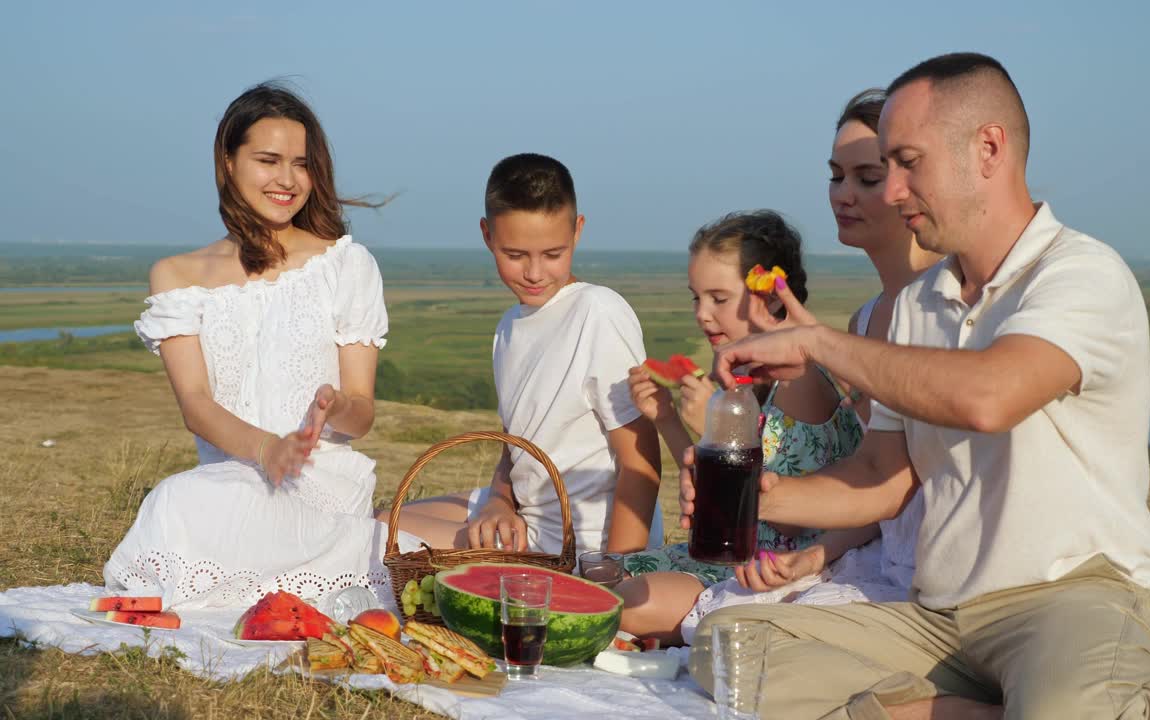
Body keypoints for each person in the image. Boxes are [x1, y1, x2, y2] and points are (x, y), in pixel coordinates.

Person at [683, 53, 1150, 720]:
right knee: (728, 646)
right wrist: (765, 498)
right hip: (939, 617)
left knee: (1066, 710)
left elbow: (989, 396)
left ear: (988, 149)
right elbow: (884, 477)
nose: (892, 191)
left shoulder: (1082, 275)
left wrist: (818, 342)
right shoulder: (920, 304)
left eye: (908, 162)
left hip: (1072, 597)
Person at [104, 83, 405, 609]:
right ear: (228, 161)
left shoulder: (346, 265)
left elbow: (362, 411)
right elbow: (196, 407)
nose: (287, 180)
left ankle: (341, 552)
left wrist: (336, 408)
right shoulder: (176, 276)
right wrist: (268, 449)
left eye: (301, 164)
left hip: (322, 487)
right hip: (228, 484)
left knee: (193, 504)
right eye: (268, 160)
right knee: (177, 499)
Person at [382, 153, 664, 557]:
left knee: (378, 535)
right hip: (521, 518)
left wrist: (617, 575)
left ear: (578, 230)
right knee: (379, 517)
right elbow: (516, 443)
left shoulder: (597, 312)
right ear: (486, 235)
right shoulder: (508, 326)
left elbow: (640, 460)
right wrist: (499, 501)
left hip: (576, 547)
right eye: (515, 255)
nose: (534, 273)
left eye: (553, 254)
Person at [616, 210, 867, 644]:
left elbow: (785, 522)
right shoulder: (754, 373)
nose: (702, 314)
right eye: (696, 297)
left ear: (769, 296)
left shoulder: (799, 380)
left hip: (776, 567)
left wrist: (716, 433)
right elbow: (717, 501)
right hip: (732, 555)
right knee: (599, 574)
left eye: (718, 297)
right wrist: (670, 421)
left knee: (628, 601)